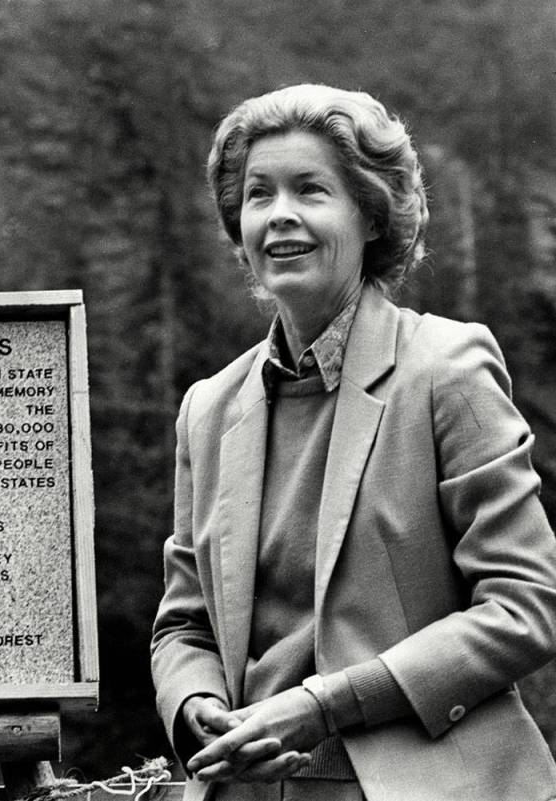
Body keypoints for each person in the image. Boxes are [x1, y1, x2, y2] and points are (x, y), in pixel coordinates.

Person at [150, 83, 556, 801]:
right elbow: (183, 626)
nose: (280, 215)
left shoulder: (445, 369)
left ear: (371, 215)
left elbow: (526, 604)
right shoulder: (207, 409)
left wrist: (325, 704)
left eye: (310, 190)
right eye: (258, 194)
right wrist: (195, 710)